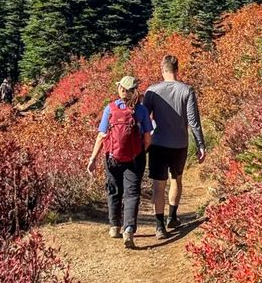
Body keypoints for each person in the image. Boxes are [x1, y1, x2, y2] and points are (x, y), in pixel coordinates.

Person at [143, 55, 206, 240]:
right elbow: (193, 121)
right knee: (176, 180)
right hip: (179, 143)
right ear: (177, 69)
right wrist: (201, 144)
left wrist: (142, 143)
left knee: (158, 185)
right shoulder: (187, 90)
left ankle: (159, 225)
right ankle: (172, 216)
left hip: (158, 144)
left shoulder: (152, 91)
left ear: (162, 69)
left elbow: (144, 120)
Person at [87, 76, 153, 249]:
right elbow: (147, 138)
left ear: (121, 90)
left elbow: (102, 135)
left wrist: (93, 158)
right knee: (132, 194)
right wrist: (141, 152)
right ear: (134, 91)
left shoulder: (110, 109)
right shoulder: (141, 110)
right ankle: (129, 228)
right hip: (135, 158)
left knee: (114, 190)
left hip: (112, 157)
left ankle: (114, 226)